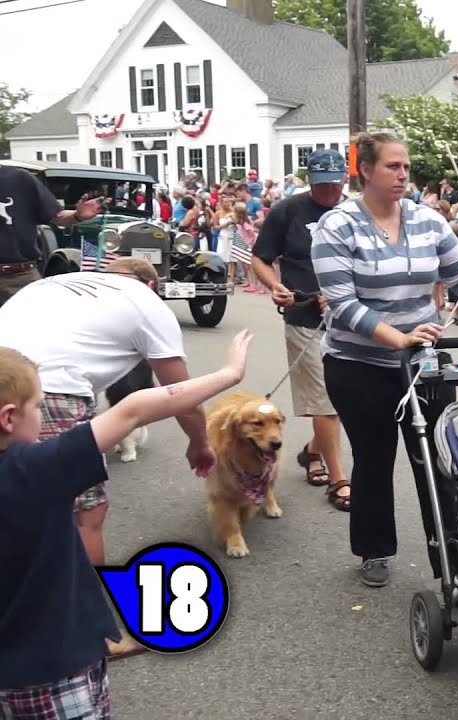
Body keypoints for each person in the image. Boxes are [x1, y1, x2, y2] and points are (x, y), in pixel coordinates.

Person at [0, 331, 253, 720]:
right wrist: (229, 374)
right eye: (38, 406)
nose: (43, 414)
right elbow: (133, 409)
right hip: (55, 673)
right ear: (8, 418)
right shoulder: (35, 469)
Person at [312, 131, 458, 588]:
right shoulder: (339, 225)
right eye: (392, 166)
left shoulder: (427, 220)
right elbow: (343, 304)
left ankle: (453, 546)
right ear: (365, 170)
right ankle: (374, 549)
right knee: (374, 457)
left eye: (406, 167)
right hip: (358, 364)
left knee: (439, 457)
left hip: (421, 361)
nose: (403, 175)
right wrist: (396, 337)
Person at [0, 257, 215, 658]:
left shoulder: (58, 283)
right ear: (152, 284)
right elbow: (179, 395)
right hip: (44, 390)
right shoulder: (146, 303)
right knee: (86, 516)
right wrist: (199, 443)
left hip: (4, 375)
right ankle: (92, 632)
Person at [252, 148, 352, 511]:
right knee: (324, 399)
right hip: (304, 315)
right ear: (309, 180)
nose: (328, 192)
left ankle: (312, 452)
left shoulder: (356, 212)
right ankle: (339, 478)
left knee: (342, 398)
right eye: (320, 185)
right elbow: (261, 258)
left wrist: (342, 294)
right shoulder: (288, 211)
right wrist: (274, 285)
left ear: (345, 179)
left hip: (351, 318)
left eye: (334, 184)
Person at [0, 164, 103, 305]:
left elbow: (58, 216)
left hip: (19, 277)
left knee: (33, 325)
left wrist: (78, 215)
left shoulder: (20, 179)